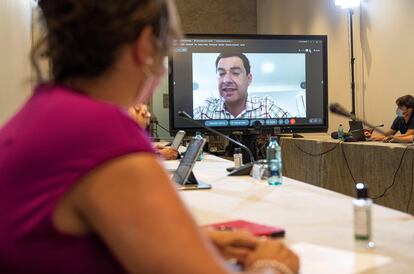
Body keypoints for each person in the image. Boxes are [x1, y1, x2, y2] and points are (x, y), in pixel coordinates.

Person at [0, 1, 299, 274]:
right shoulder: (101, 132)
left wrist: (182, 240)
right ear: (145, 46)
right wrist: (272, 265)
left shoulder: (44, 113)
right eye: (166, 50)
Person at [193, 53, 289, 119]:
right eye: (221, 73)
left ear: (249, 79)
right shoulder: (205, 111)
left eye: (235, 73)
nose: (226, 80)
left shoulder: (265, 107)